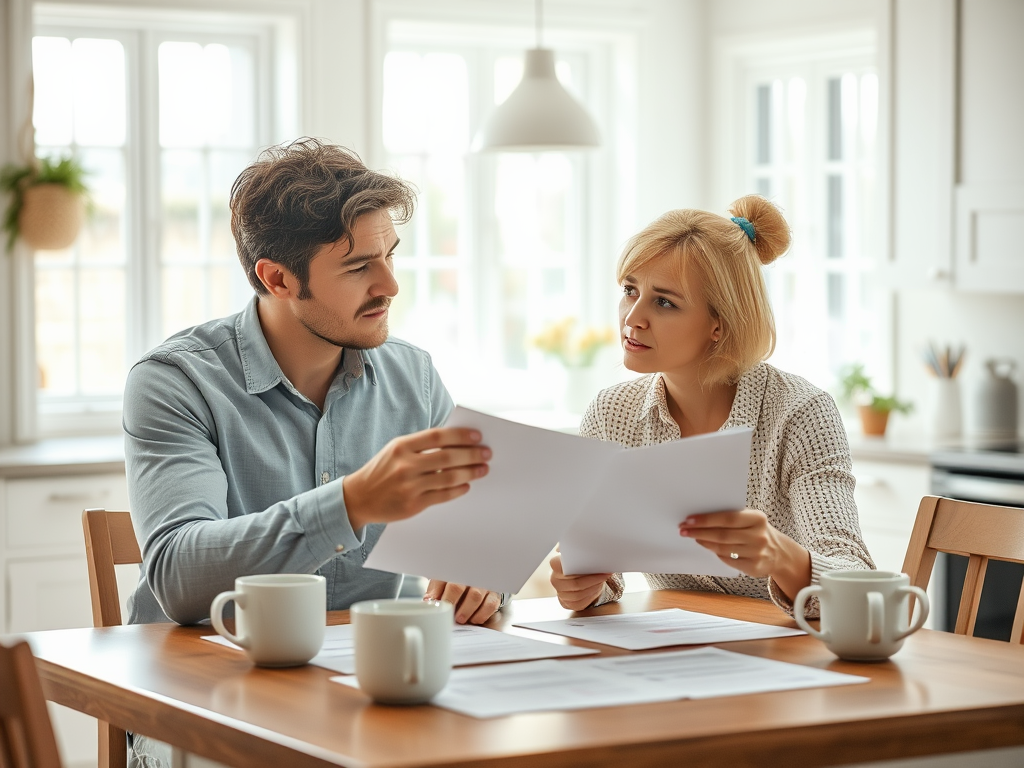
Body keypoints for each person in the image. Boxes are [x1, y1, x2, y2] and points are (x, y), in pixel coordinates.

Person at [123, 137, 505, 636]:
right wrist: (352, 503)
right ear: (278, 279)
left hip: (361, 677)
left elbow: (484, 532)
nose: (389, 285)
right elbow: (178, 578)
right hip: (196, 683)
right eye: (358, 266)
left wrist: (484, 576)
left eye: (390, 256)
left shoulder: (414, 377)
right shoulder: (176, 383)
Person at [549, 195, 874, 614]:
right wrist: (585, 585)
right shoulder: (613, 414)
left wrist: (781, 556)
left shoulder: (799, 413)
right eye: (630, 290)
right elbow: (601, 568)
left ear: (719, 324)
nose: (633, 317)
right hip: (672, 655)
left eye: (664, 301)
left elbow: (857, 583)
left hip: (786, 658)